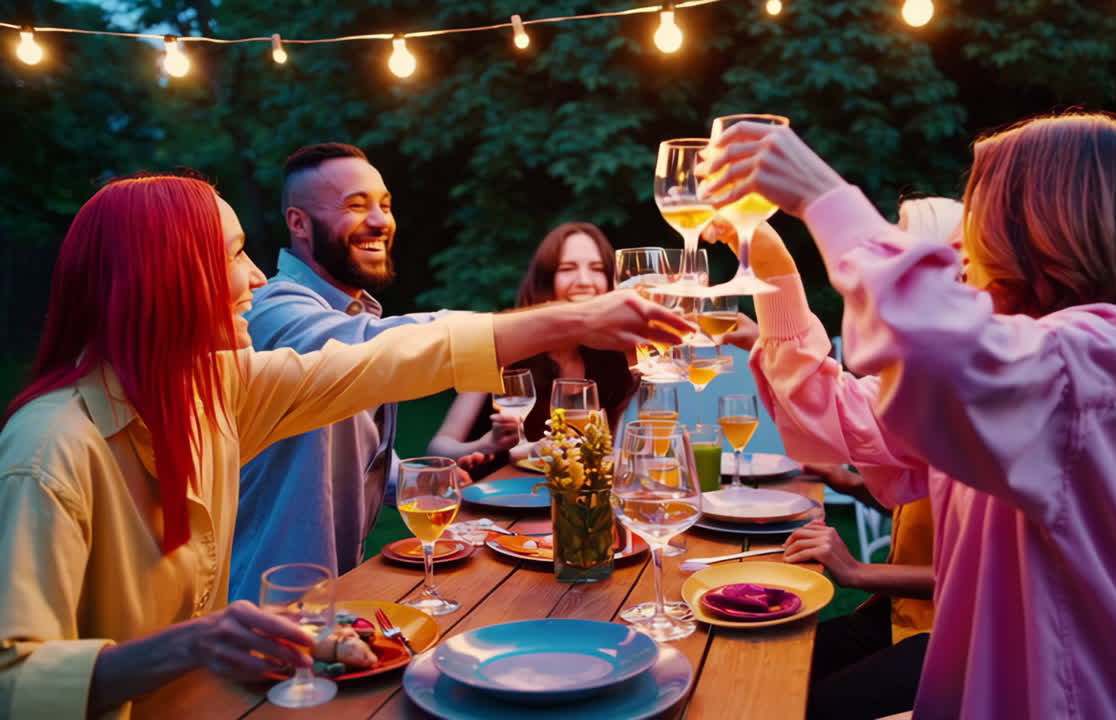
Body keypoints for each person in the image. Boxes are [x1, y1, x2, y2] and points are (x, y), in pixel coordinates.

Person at [0, 172, 688, 717]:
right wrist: (188, 645)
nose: (258, 278)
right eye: (235, 252)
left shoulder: (216, 390)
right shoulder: (50, 450)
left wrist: (576, 318)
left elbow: (386, 358)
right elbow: (13, 683)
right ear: (163, 274)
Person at [699, 112, 1116, 718]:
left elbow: (934, 351)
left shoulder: (1102, 356)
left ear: (1043, 229)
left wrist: (823, 196)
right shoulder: (1026, 366)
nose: (964, 245)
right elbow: (842, 416)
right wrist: (777, 268)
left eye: (981, 213)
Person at [718, 196, 954, 720]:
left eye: (901, 247)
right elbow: (912, 480)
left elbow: (974, 573)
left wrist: (857, 571)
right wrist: (847, 482)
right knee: (758, 666)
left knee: (791, 702)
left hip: (965, 638)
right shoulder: (926, 380)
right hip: (899, 614)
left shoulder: (964, 392)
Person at [231, 143, 489, 602]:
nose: (379, 221)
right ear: (298, 223)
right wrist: (524, 330)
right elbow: (377, 350)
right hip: (262, 610)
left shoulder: (350, 315)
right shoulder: (275, 313)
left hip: (333, 605)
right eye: (356, 205)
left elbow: (341, 441)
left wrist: (416, 481)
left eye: (384, 205)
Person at [428, 222, 638, 470]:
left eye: (597, 269)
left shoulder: (615, 359)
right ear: (545, 281)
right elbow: (438, 448)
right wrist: (484, 445)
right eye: (568, 268)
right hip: (496, 499)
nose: (584, 281)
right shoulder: (505, 346)